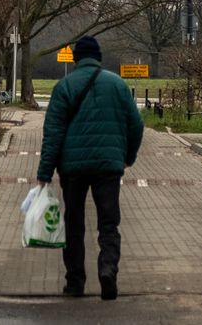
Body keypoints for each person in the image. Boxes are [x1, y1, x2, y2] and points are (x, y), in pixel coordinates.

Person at [36, 35, 144, 301]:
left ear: (75, 59)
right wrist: (127, 156)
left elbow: (53, 133)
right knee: (108, 222)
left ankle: (75, 282)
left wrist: (44, 173)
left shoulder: (64, 87)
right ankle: (108, 270)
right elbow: (137, 125)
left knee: (73, 224)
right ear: (99, 57)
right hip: (108, 166)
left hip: (72, 169)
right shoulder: (118, 85)